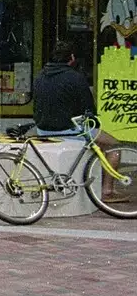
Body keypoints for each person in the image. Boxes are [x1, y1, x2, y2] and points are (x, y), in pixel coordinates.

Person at [33, 41, 122, 197]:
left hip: (42, 129)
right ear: (72, 58)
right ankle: (107, 189)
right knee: (114, 146)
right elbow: (89, 110)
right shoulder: (75, 77)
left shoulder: (40, 76)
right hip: (68, 130)